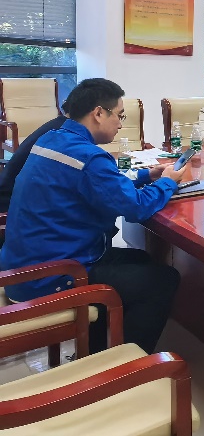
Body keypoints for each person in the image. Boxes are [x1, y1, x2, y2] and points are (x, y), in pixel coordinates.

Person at [0, 78, 185, 354]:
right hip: (52, 276)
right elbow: (136, 207)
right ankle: (124, 365)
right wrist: (168, 182)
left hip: (22, 266)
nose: (121, 124)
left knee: (141, 260)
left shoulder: (51, 139)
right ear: (98, 113)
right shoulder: (89, 156)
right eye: (119, 115)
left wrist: (147, 175)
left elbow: (100, 184)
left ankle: (93, 350)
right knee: (162, 280)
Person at [0, 105, 68, 213]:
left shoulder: (56, 126)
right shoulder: (64, 135)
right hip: (13, 203)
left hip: (13, 194)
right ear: (96, 113)